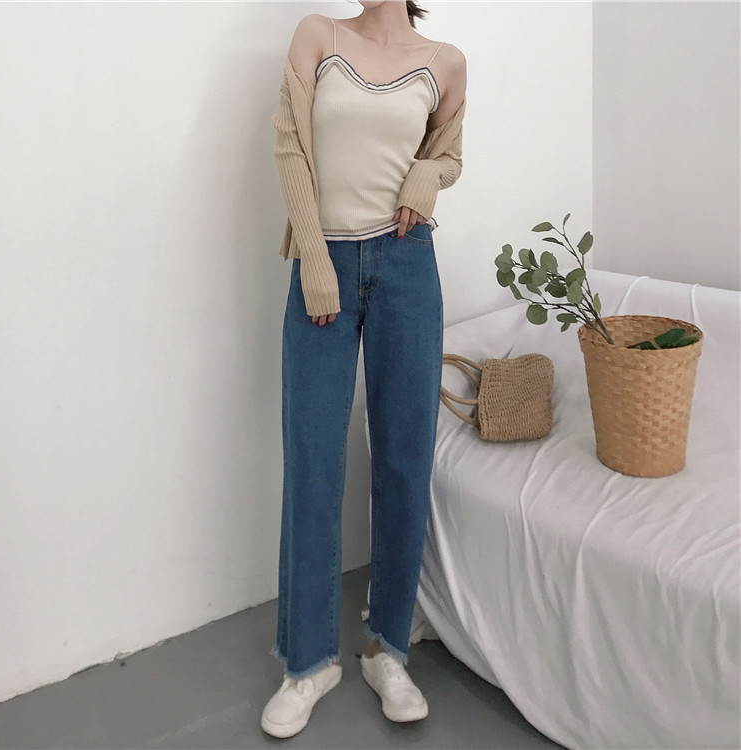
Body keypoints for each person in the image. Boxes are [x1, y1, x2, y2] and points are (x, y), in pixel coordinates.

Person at [262, 0, 467, 738]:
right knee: (312, 459)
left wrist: (428, 176)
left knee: (406, 459)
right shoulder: (318, 36)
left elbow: (449, 154)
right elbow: (290, 145)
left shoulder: (444, 63)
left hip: (408, 265)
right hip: (324, 266)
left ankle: (389, 649)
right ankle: (308, 661)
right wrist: (314, 259)